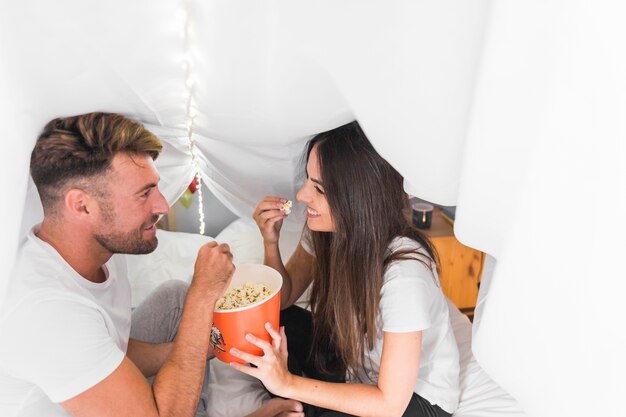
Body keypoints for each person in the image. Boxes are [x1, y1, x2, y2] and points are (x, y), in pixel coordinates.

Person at [0, 112, 303, 417]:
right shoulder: (49, 312)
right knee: (192, 306)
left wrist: (204, 349)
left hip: (99, 380)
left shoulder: (101, 247)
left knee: (176, 297)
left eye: (156, 187)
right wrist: (203, 294)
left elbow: (111, 346)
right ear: (82, 205)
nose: (161, 205)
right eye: (144, 194)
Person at [237, 121, 460, 417]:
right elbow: (284, 297)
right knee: (272, 321)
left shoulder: (405, 274)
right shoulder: (328, 233)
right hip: (359, 364)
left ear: (354, 199)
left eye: (318, 188)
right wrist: (270, 242)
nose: (302, 195)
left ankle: (297, 400)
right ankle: (300, 401)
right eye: (307, 179)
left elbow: (390, 404)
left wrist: (287, 383)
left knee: (290, 382)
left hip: (413, 400)